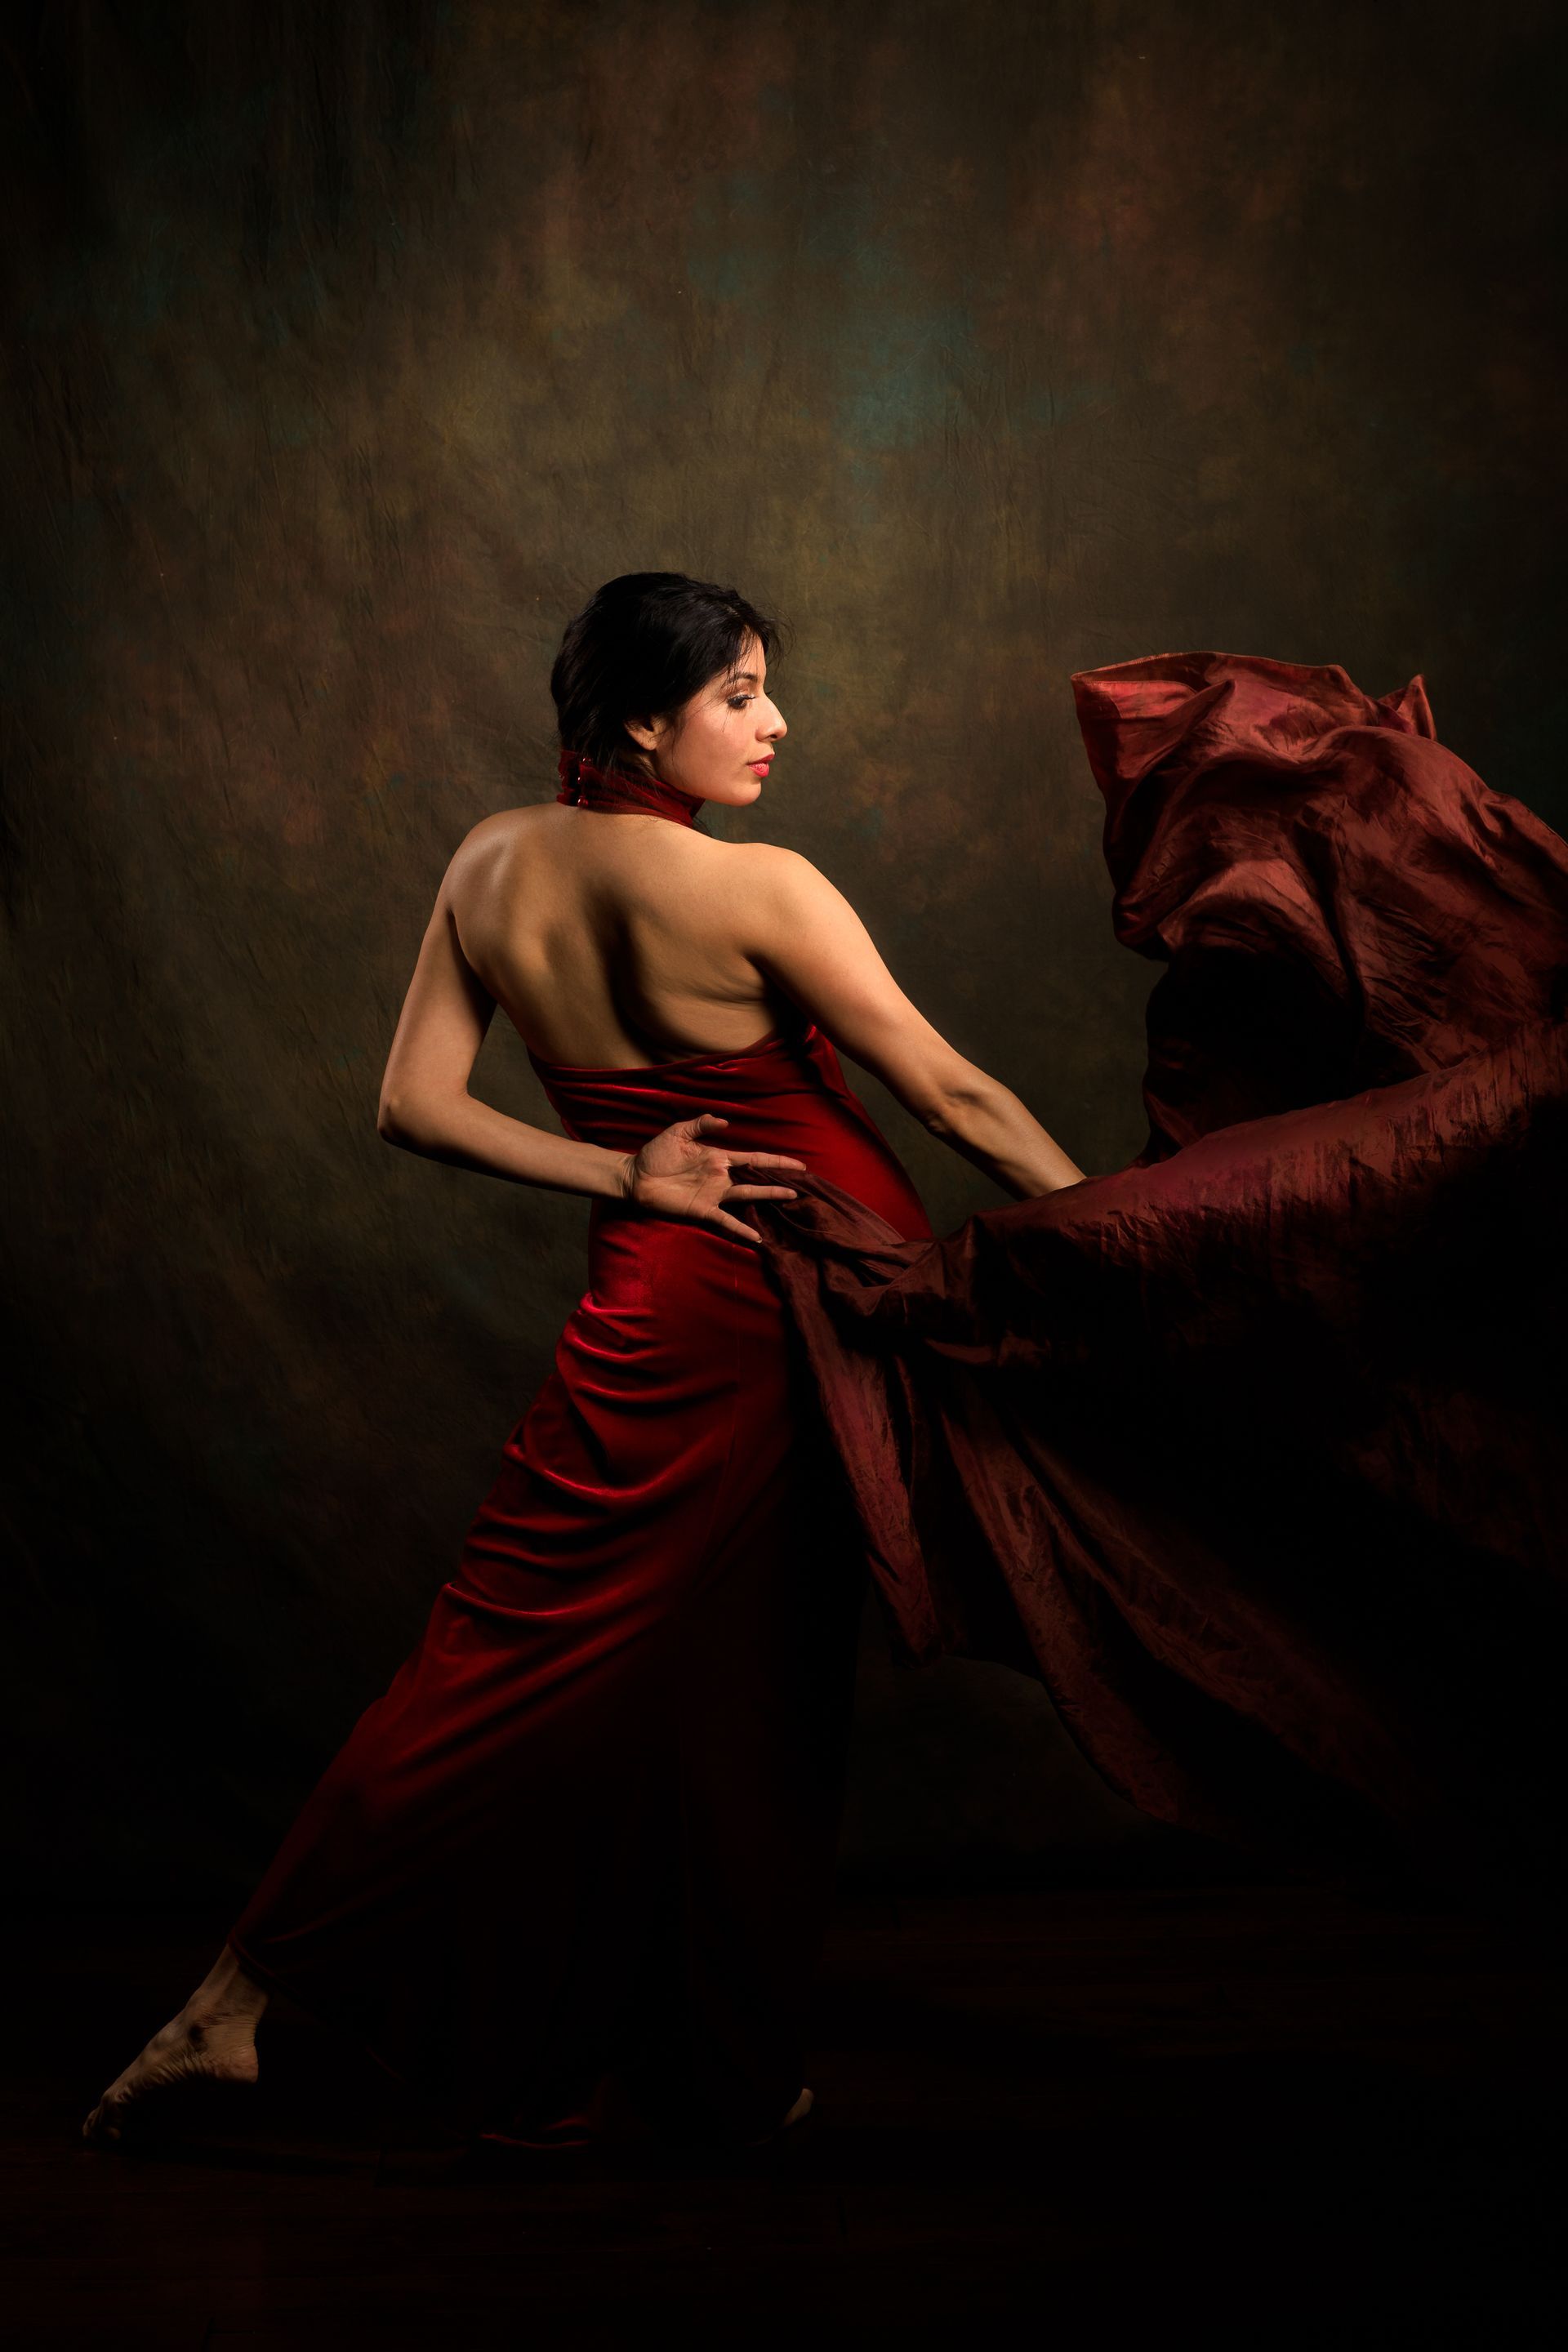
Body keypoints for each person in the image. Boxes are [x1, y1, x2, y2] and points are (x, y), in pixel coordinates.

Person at [83, 571, 1084, 2150]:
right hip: (772, 1321)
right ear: (641, 719)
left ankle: (709, 2070)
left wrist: (624, 1177)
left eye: (766, 689)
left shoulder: (490, 862)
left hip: (667, 1303)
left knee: (604, 1665)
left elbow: (416, 1106)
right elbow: (954, 1102)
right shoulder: (762, 889)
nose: (775, 722)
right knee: (678, 1677)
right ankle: (246, 2003)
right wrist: (1114, 1233)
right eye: (738, 694)